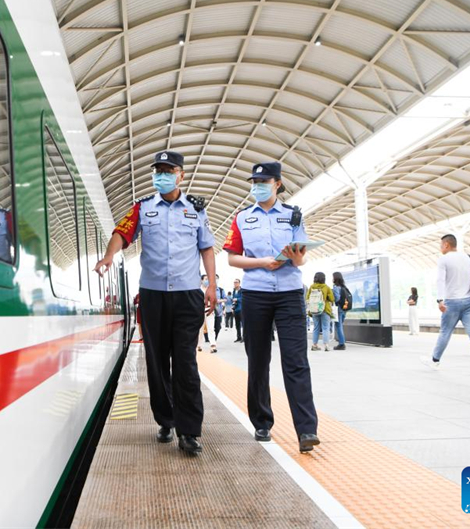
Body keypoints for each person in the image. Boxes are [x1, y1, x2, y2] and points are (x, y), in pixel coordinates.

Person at [95, 150, 217, 455]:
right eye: (158, 170)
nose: (162, 175)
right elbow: (121, 234)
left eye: (168, 170)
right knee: (157, 362)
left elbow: (207, 249)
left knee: (186, 363)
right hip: (152, 296)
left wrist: (212, 283)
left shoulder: (196, 210)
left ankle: (189, 431)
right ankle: (166, 420)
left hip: (188, 294)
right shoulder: (142, 208)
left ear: (181, 175)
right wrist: (110, 256)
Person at [224, 161, 320, 453]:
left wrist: (296, 255)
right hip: (256, 295)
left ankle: (306, 430)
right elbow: (232, 259)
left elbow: (301, 258)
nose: (258, 185)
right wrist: (263, 262)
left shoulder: (293, 215)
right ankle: (262, 422)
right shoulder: (242, 218)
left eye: (264, 181)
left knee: (296, 362)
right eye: (255, 181)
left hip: (290, 293)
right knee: (258, 360)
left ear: (278, 183)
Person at [420, 234, 470, 376]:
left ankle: (435, 361)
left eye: (441, 245)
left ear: (446, 245)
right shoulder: (468, 257)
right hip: (469, 301)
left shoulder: (444, 259)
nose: (440, 248)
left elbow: (440, 280)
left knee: (445, 332)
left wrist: (440, 300)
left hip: (451, 302)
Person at [307, 272, 335, 351]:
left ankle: (314, 345)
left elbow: (307, 297)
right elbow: (332, 298)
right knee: (325, 327)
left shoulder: (311, 287)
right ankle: (326, 345)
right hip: (325, 309)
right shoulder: (326, 287)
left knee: (316, 328)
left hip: (314, 309)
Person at [198, 275, 217, 353]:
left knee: (211, 328)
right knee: (200, 329)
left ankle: (213, 344)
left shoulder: (211, 290)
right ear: (201, 280)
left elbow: (214, 300)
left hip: (210, 310)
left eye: (208, 279)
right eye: (206, 279)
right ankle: (199, 345)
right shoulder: (198, 290)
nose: (207, 281)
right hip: (200, 311)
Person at [331, 272, 347, 350]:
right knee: (340, 326)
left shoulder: (336, 287)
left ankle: (341, 343)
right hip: (344, 308)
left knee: (338, 326)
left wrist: (332, 298)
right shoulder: (343, 286)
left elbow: (337, 298)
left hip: (338, 309)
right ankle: (342, 342)